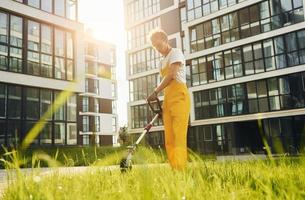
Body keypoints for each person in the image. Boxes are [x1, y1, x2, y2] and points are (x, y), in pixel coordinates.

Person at [146, 28, 190, 170]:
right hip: (168, 99)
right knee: (169, 138)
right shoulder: (161, 63)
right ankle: (173, 169)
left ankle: (180, 168)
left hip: (180, 97)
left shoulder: (176, 53)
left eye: (158, 45)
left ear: (166, 40)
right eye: (154, 46)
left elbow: (171, 74)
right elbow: (165, 82)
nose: (157, 48)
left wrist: (155, 91)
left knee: (178, 135)